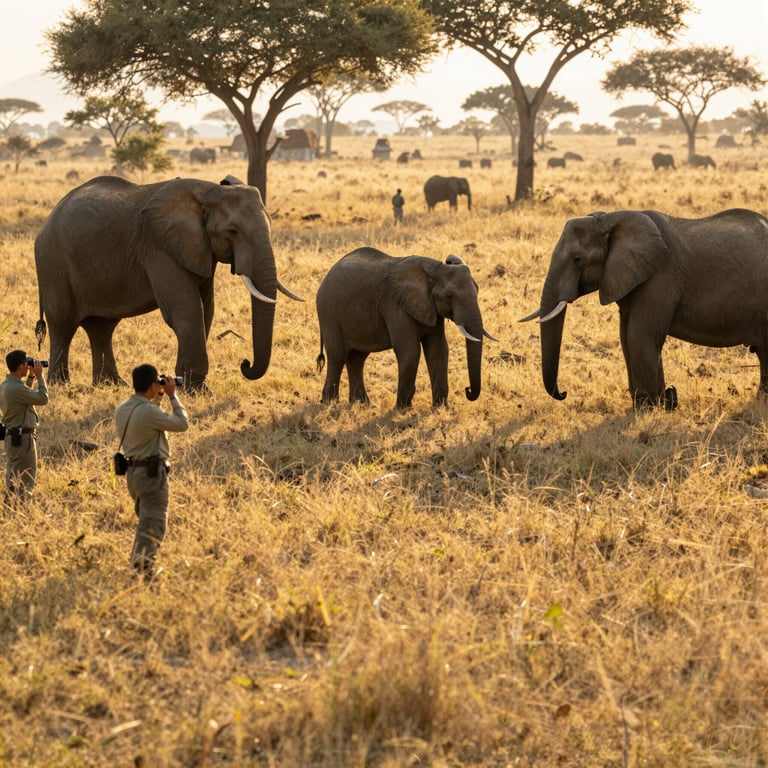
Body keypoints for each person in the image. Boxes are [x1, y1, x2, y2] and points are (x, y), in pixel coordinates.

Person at [115, 364, 188, 577]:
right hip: (152, 475)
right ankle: (142, 570)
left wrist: (158, 397)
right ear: (151, 386)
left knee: (146, 521)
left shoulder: (123, 408)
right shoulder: (148, 411)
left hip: (133, 475)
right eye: (157, 383)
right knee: (153, 524)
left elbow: (147, 416)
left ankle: (142, 567)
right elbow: (182, 423)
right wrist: (173, 396)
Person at [0, 350, 48, 501]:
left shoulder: (6, 385)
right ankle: (19, 510)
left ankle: (12, 508)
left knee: (15, 475)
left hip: (14, 437)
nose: (28, 367)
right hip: (22, 440)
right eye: (26, 365)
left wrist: (31, 377)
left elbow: (24, 397)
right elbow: (42, 398)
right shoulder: (15, 388)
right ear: (20, 367)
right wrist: (40, 377)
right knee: (25, 478)